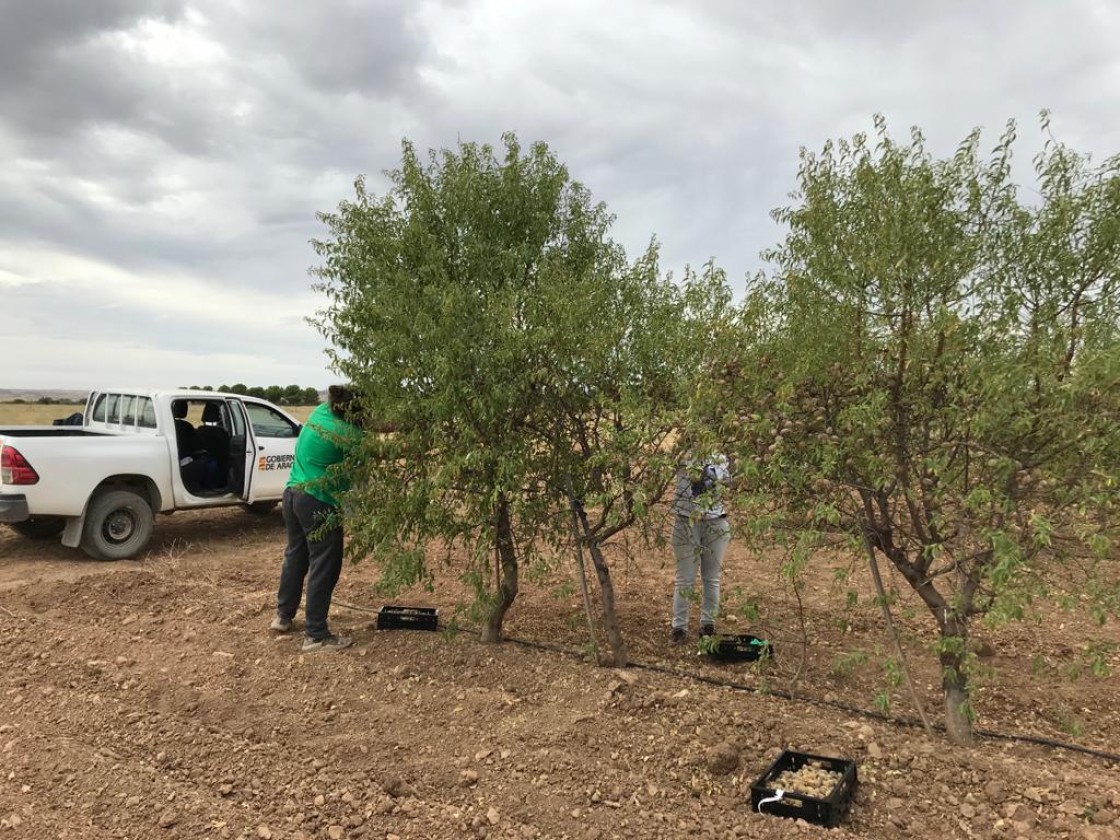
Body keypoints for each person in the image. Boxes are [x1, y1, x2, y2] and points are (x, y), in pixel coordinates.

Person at [270, 385, 365, 652]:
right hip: (318, 502)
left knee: (296, 556)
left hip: (292, 495)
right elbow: (361, 476)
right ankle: (316, 635)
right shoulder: (351, 435)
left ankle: (284, 616)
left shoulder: (322, 411)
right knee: (324, 565)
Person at [669, 453, 731, 645]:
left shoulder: (721, 457)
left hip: (716, 521)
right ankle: (679, 628)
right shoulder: (683, 454)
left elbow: (725, 483)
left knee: (712, 578)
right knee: (684, 578)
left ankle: (708, 625)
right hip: (686, 520)